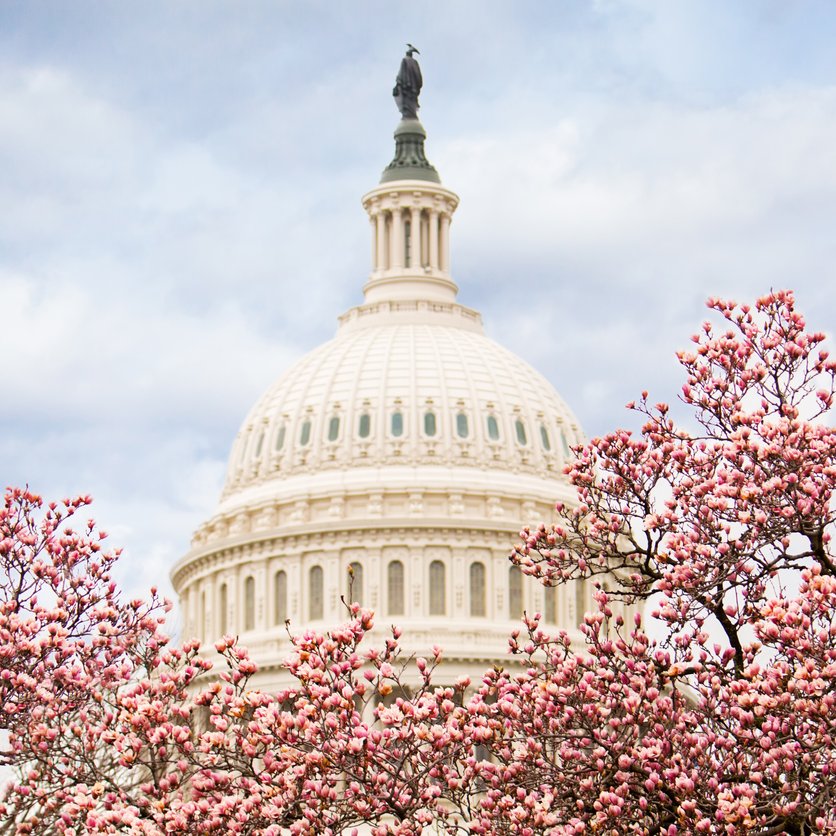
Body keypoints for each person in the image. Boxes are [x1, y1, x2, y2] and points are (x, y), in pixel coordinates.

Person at [393, 45, 422, 119]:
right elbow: (418, 76)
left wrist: (398, 82)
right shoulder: (415, 62)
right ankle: (412, 115)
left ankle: (408, 115)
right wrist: (417, 86)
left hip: (406, 87)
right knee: (411, 100)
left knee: (406, 101)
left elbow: (401, 74)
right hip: (414, 88)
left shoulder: (405, 60)